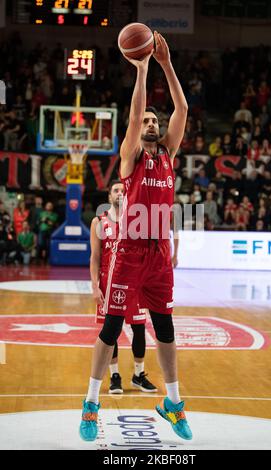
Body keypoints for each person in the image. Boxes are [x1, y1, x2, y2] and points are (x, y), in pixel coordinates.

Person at [80, 31, 192, 442]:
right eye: (145, 119)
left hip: (159, 252)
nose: (149, 122)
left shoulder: (167, 153)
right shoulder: (131, 157)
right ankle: (91, 406)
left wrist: (165, 62)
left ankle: (173, 404)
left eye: (154, 121)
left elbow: (182, 106)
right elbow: (134, 116)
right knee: (111, 329)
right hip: (128, 252)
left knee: (166, 329)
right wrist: (143, 69)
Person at [91, 180, 157, 394]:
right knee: (112, 330)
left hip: (135, 283)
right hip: (109, 284)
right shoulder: (99, 221)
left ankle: (139, 374)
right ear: (109, 195)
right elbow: (95, 257)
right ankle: (115, 375)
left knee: (139, 328)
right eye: (116, 190)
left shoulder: (137, 221)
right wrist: (94, 286)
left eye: (123, 190)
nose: (120, 193)